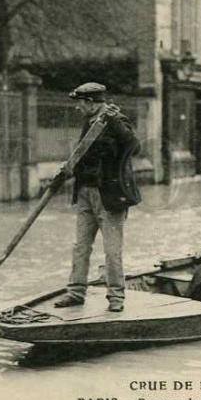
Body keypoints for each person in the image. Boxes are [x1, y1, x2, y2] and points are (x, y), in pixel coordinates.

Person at [53, 82, 141, 313]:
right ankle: (75, 292)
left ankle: (116, 297)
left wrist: (113, 122)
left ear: (91, 103)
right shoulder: (89, 121)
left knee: (112, 250)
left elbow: (134, 145)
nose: (78, 108)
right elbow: (86, 154)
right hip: (85, 193)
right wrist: (71, 166)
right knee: (80, 246)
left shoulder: (115, 119)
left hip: (109, 196)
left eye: (80, 103)